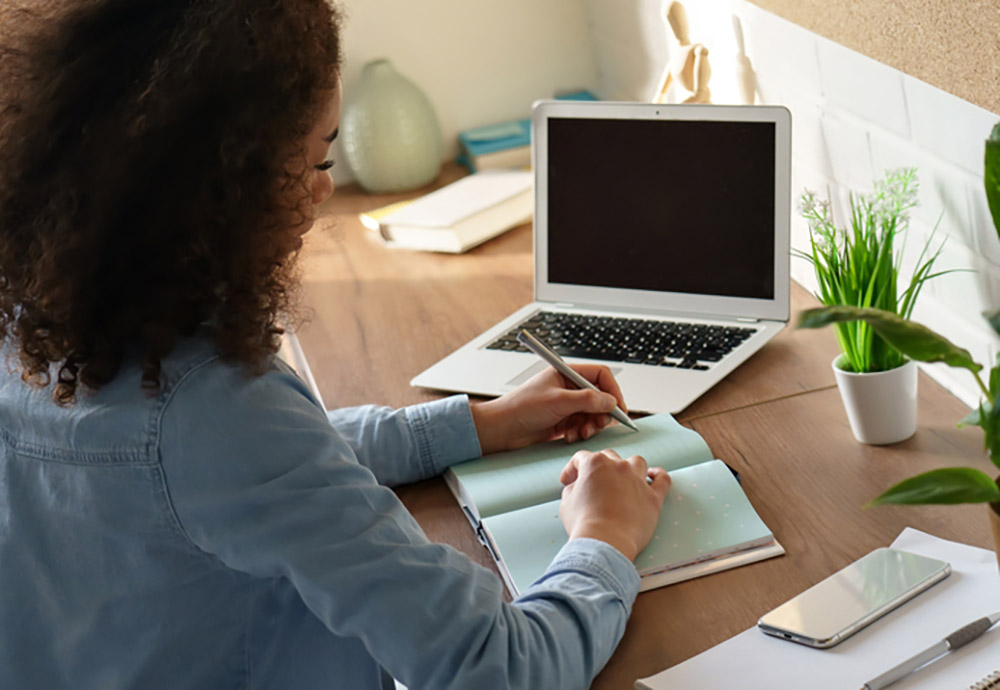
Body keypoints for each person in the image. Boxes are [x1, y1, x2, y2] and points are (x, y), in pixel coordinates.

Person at [0, 1, 671, 688]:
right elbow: (494, 668)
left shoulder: (37, 322)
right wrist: (605, 537)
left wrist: (476, 424)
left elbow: (240, 473)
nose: (323, 191)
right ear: (225, 184)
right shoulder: (211, 405)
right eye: (315, 158)